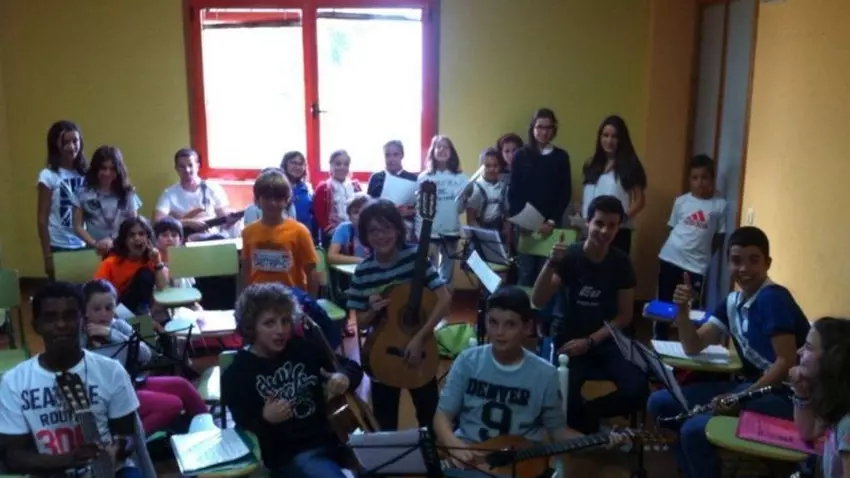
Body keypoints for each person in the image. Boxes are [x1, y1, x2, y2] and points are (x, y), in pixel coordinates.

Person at [647, 226, 810, 478]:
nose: (744, 268)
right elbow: (693, 345)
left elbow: (786, 362)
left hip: (785, 396)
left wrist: (740, 397)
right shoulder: (733, 301)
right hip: (749, 387)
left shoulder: (773, 299)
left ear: (767, 264)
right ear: (728, 263)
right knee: (659, 403)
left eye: (753, 260)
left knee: (693, 430)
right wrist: (682, 312)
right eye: (736, 260)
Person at [435, 286, 625, 477]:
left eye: (510, 324)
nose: (499, 332)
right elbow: (442, 416)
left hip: (519, 465)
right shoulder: (467, 361)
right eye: (493, 322)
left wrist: (598, 442)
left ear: (527, 327)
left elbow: (558, 432)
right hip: (468, 459)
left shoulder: (545, 374)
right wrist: (454, 445)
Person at [531, 195, 647, 434]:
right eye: (599, 223)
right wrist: (551, 263)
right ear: (588, 222)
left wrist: (591, 341)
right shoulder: (570, 256)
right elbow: (538, 300)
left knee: (638, 388)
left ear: (618, 227)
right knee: (563, 396)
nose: (604, 231)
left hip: (606, 339)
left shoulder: (621, 262)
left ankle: (590, 414)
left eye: (612, 225)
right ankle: (591, 427)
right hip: (569, 338)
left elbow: (624, 316)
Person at [0, 281, 141, 477]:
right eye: (50, 317)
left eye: (70, 316)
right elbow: (14, 458)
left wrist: (117, 449)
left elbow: (129, 436)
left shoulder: (111, 371)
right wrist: (70, 460)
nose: (61, 325)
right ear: (36, 326)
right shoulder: (14, 382)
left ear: (83, 320)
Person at [221, 283, 362, 478]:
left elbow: (352, 367)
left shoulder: (301, 348)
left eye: (285, 321)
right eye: (269, 323)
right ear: (251, 327)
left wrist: (344, 377)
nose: (280, 330)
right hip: (290, 455)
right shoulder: (237, 374)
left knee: (383, 462)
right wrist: (265, 419)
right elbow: (243, 428)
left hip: (335, 438)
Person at [347, 199, 452, 430]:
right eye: (373, 230)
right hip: (382, 352)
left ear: (397, 228)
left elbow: (444, 300)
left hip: (421, 347)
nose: (381, 236)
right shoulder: (363, 271)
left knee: (429, 415)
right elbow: (360, 322)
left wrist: (420, 339)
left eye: (386, 228)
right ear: (365, 235)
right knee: (385, 421)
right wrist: (373, 310)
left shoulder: (415, 259)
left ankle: (430, 451)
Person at [81, 280, 208, 435]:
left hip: (132, 384)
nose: (104, 314)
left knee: (182, 385)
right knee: (172, 404)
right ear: (84, 310)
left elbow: (146, 355)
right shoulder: (81, 336)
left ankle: (207, 432)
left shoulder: (118, 325)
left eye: (109, 308)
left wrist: (111, 334)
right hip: (108, 399)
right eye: (96, 309)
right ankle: (128, 441)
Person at [655, 155, 726, 339]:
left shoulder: (720, 205)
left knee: (691, 307)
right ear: (689, 180)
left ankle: (688, 344)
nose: (699, 182)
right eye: (695, 178)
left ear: (712, 179)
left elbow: (719, 236)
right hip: (670, 258)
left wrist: (705, 255)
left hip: (696, 265)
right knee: (664, 303)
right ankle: (659, 341)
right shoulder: (681, 201)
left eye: (704, 177)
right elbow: (672, 228)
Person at [508, 108, 572, 289]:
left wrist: (551, 221)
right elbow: (514, 193)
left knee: (547, 273)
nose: (544, 132)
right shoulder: (521, 156)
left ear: (554, 129)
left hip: (552, 225)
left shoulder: (561, 157)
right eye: (540, 127)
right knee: (526, 272)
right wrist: (534, 223)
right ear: (533, 128)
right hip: (526, 225)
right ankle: (523, 308)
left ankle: (543, 309)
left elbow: (564, 192)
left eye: (548, 127)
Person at [241, 168, 319, 295]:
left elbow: (311, 272)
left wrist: (310, 301)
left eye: (278, 198)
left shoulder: (300, 231)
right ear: (257, 200)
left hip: (291, 299)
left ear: (286, 200)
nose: (272, 203)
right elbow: (246, 268)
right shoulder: (248, 232)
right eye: (267, 198)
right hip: (259, 298)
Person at [791, 317, 850, 478]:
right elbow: (808, 432)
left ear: (833, 359)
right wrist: (800, 391)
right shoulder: (837, 403)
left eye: (808, 347)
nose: (799, 351)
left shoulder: (847, 424)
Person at [580, 115, 647, 256]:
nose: (609, 140)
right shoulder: (591, 165)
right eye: (605, 135)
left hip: (616, 232)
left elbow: (640, 201)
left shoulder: (629, 165)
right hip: (590, 230)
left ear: (621, 139)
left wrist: (622, 218)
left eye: (614, 136)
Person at [37, 120, 88, 279]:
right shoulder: (48, 175)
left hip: (84, 244)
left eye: (75, 141)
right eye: (66, 142)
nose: (72, 147)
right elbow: (42, 219)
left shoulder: (86, 173)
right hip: (59, 245)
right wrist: (47, 256)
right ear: (56, 145)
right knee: (62, 292)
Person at [152, 147, 238, 240]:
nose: (187, 170)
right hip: (184, 241)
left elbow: (223, 215)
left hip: (213, 238)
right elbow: (158, 221)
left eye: (190, 165)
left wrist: (230, 220)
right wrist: (188, 222)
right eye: (182, 166)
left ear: (197, 166)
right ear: (176, 168)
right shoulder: (169, 194)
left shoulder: (213, 188)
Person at [73, 145, 142, 256]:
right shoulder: (82, 194)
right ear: (95, 169)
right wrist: (95, 243)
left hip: (123, 251)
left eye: (112, 169)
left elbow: (133, 226)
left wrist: (113, 241)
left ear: (119, 170)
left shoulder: (128, 194)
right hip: (94, 251)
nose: (107, 173)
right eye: (103, 168)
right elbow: (77, 226)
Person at [417, 135, 468, 284]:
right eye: (438, 147)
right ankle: (431, 297)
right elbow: (419, 207)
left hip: (451, 230)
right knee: (429, 273)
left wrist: (466, 197)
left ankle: (446, 298)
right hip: (430, 231)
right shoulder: (424, 177)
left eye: (446, 147)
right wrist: (419, 231)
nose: (442, 150)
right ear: (432, 151)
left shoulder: (461, 178)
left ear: (452, 152)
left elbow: (461, 209)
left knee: (447, 274)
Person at [94, 217, 169, 315]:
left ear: (148, 239)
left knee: (145, 274)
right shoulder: (110, 262)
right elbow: (97, 291)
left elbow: (162, 287)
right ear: (124, 241)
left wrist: (158, 262)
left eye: (141, 234)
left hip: (145, 310)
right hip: (116, 309)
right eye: (131, 235)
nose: (137, 238)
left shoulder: (152, 259)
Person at [367, 140, 418, 240]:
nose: (391, 159)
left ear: (402, 155)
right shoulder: (376, 178)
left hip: (405, 228)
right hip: (380, 227)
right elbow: (368, 206)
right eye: (387, 155)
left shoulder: (413, 179)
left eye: (395, 154)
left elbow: (418, 208)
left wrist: (409, 211)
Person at [314, 150, 362, 247]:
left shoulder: (355, 187)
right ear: (331, 166)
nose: (342, 167)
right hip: (332, 235)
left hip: (355, 234)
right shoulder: (323, 188)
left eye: (346, 164)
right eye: (338, 164)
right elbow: (320, 215)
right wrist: (333, 232)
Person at [465, 147, 509, 240]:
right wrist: (485, 237)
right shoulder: (475, 188)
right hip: (480, 233)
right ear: (481, 167)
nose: (492, 169)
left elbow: (506, 213)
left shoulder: (503, 187)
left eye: (495, 166)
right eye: (487, 166)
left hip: (499, 233)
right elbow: (471, 220)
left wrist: (506, 227)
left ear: (500, 167)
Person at [327, 193, 370, 265]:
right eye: (356, 212)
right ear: (349, 217)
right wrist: (362, 261)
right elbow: (331, 257)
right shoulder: (344, 228)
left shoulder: (378, 229)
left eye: (365, 211)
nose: (361, 215)